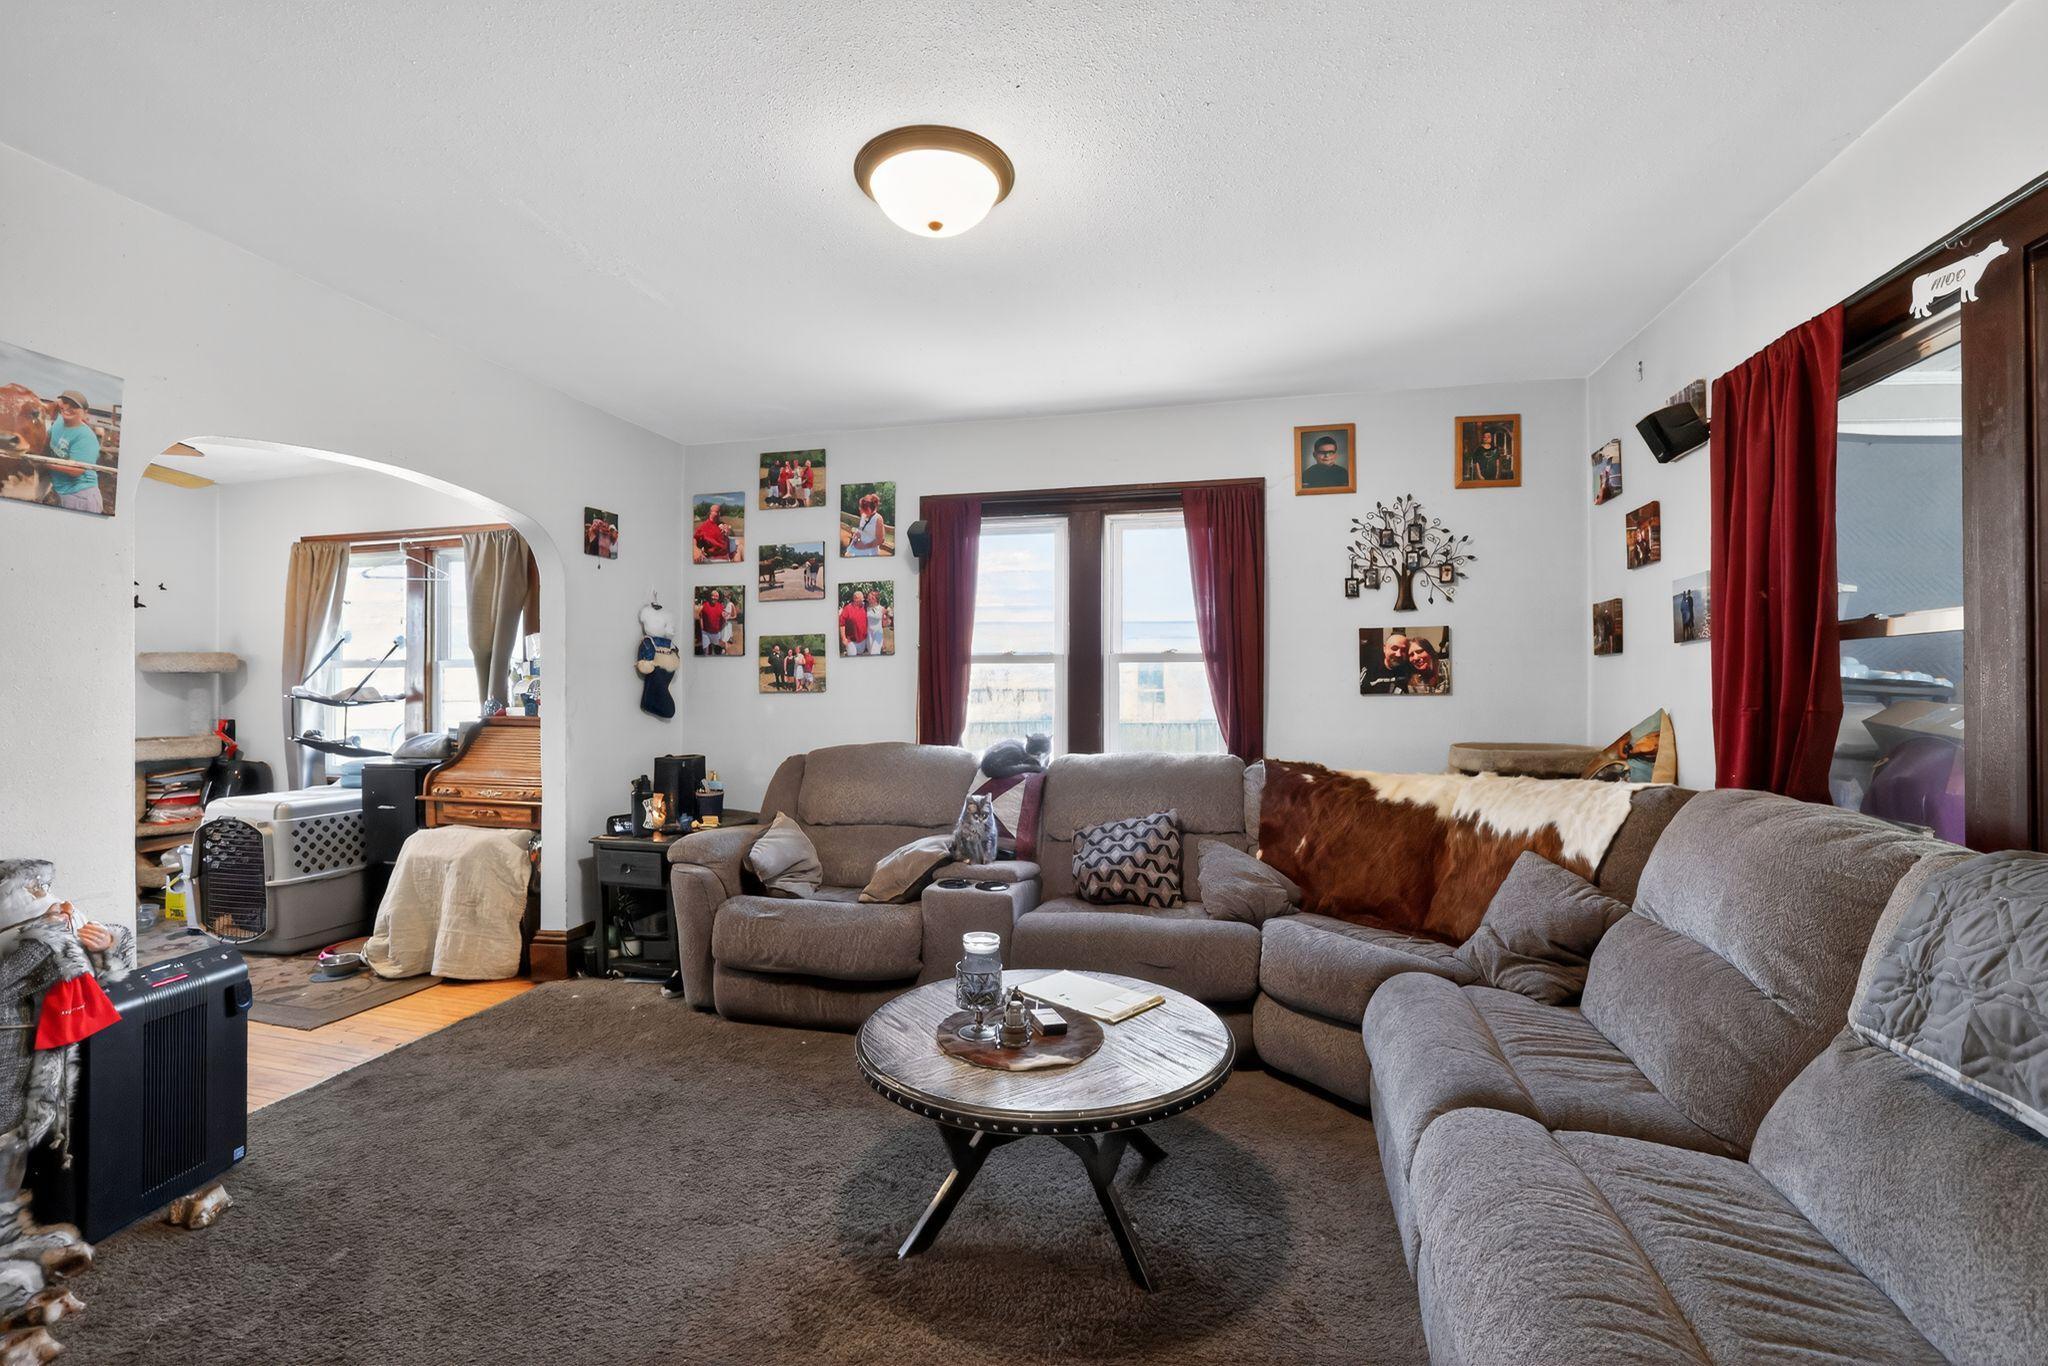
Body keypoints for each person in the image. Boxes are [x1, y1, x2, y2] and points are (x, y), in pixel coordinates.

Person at [45, 391, 105, 514]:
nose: (67, 408)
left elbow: (76, 470)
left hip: (81, 495)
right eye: (66, 403)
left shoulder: (85, 437)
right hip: (63, 492)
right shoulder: (59, 421)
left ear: (85, 412)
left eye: (75, 406)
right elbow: (46, 438)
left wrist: (43, 464)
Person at [847, 491, 886, 555]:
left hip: (870, 551)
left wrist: (864, 546)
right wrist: (857, 533)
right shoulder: (864, 515)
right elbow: (861, 528)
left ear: (868, 509)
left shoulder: (878, 519)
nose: (860, 509)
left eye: (861, 507)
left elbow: (880, 540)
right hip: (859, 548)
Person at [838, 589, 869, 656]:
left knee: (860, 656)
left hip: (863, 640)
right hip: (851, 640)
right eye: (861, 599)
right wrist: (843, 638)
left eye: (863, 599)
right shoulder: (847, 609)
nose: (863, 601)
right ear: (855, 599)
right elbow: (842, 624)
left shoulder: (865, 607)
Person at [697, 591, 726, 656]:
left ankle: (721, 650)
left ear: (718, 598)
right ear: (710, 596)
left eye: (716, 596)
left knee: (714, 649)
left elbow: (724, 620)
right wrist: (702, 627)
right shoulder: (704, 605)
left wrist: (720, 629)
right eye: (712, 596)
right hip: (705, 632)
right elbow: (700, 616)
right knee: (705, 651)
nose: (714, 598)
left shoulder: (721, 607)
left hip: (716, 632)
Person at [866, 589, 888, 656]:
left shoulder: (882, 609)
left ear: (875, 598)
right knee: (870, 653)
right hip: (869, 634)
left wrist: (886, 616)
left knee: (874, 653)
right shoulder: (866, 608)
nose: (868, 599)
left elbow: (886, 623)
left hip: (878, 634)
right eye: (868, 598)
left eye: (870, 598)